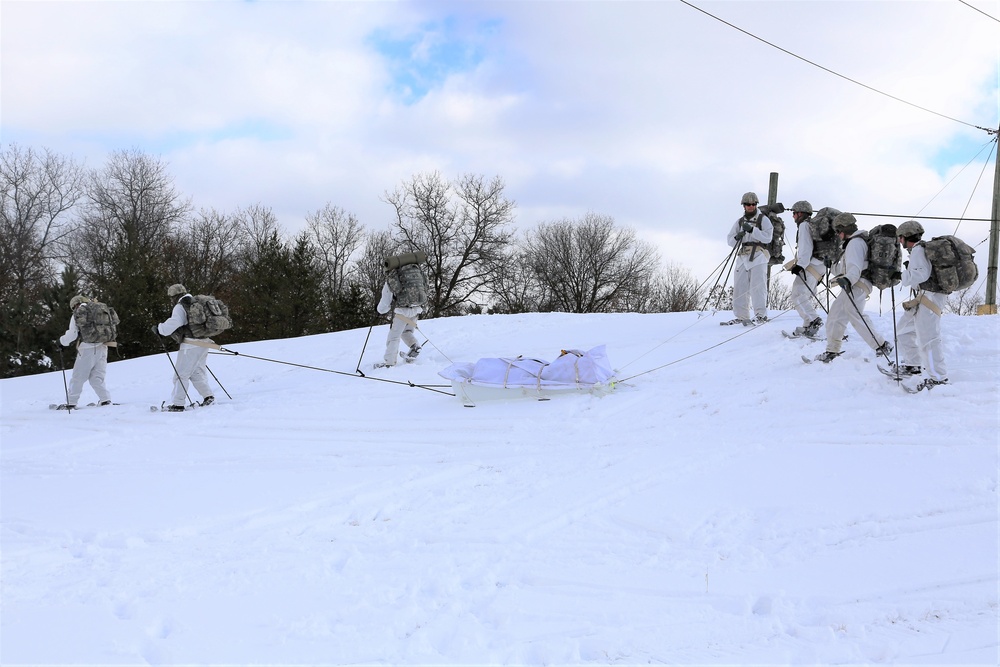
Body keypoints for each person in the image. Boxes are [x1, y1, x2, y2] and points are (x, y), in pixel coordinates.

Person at [813, 213, 893, 363]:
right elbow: (847, 268)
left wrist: (848, 279)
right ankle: (832, 351)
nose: (837, 235)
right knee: (835, 316)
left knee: (855, 314)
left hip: (858, 284)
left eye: (838, 231)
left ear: (844, 229)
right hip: (854, 283)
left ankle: (882, 345)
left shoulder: (855, 243)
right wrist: (832, 267)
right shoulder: (853, 243)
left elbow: (854, 270)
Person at [890, 220, 948, 387]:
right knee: (903, 330)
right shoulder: (919, 250)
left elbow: (921, 274)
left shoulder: (918, 250)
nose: (900, 242)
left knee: (928, 338)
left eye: (900, 238)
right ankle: (912, 364)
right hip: (923, 297)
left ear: (906, 237)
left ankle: (938, 378)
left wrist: (903, 276)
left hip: (930, 298)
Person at [156, 284, 214, 411]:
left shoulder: (181, 305)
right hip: (204, 342)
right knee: (194, 372)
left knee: (180, 374)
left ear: (174, 296)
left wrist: (160, 328)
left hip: (191, 344)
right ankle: (208, 396)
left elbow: (176, 322)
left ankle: (178, 404)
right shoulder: (197, 302)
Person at [54, 295, 113, 410]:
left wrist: (61, 341)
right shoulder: (99, 309)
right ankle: (106, 399)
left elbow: (73, 334)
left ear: (75, 305)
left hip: (87, 349)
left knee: (78, 377)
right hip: (103, 346)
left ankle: (71, 403)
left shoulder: (79, 313)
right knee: (97, 377)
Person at [723, 191, 773, 326]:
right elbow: (730, 240)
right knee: (740, 287)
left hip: (758, 255)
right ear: (743, 206)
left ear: (756, 205)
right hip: (743, 256)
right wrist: (737, 237)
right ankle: (741, 316)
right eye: (748, 204)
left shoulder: (763, 220)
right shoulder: (739, 222)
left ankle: (760, 315)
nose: (750, 206)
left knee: (758, 286)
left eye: (753, 204)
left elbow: (768, 237)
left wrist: (752, 231)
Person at [375, 253, 429, 368]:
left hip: (402, 312)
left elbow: (385, 301)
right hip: (416, 309)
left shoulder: (393, 277)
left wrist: (379, 310)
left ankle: (389, 363)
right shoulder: (417, 273)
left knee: (393, 337)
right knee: (406, 332)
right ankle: (414, 346)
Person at [786, 200, 824, 337]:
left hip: (810, 265)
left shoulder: (804, 226)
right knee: (804, 296)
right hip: (820, 267)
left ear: (800, 213)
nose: (793, 216)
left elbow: (806, 248)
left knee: (797, 295)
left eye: (794, 213)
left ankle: (813, 320)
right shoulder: (814, 226)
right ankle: (808, 325)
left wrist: (799, 266)